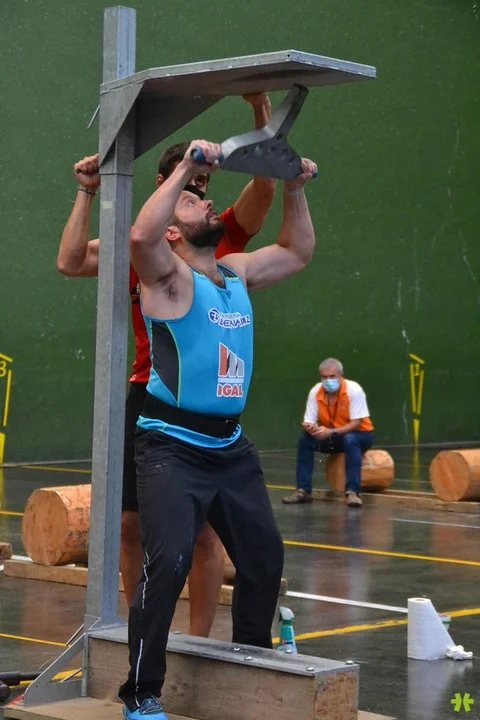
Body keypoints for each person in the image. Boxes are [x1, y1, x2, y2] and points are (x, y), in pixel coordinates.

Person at [56, 94, 276, 637]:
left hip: (201, 398)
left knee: (205, 533)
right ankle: (144, 628)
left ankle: (199, 640)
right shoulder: (142, 244)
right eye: (189, 182)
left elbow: (265, 185)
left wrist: (260, 107)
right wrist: (87, 191)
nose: (200, 191)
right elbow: (70, 261)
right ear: (165, 183)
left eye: (205, 184)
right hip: (148, 393)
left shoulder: (216, 235)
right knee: (130, 525)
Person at [118, 139, 317, 720]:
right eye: (189, 202)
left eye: (200, 198)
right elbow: (139, 236)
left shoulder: (234, 272)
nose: (206, 203)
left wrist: (295, 189)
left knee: (263, 558)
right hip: (170, 445)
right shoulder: (167, 279)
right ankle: (141, 693)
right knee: (168, 562)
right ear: (172, 233)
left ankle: (250, 662)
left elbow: (297, 251)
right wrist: (184, 166)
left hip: (229, 445)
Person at [282, 357, 374, 508]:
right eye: (324, 377)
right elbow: (309, 419)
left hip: (360, 434)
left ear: (340, 376)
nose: (328, 380)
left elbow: (357, 423)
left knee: (350, 439)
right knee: (305, 440)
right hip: (332, 435)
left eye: (332, 377)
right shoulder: (315, 392)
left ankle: (353, 492)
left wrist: (331, 432)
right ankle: (303, 490)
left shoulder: (353, 390)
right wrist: (310, 428)